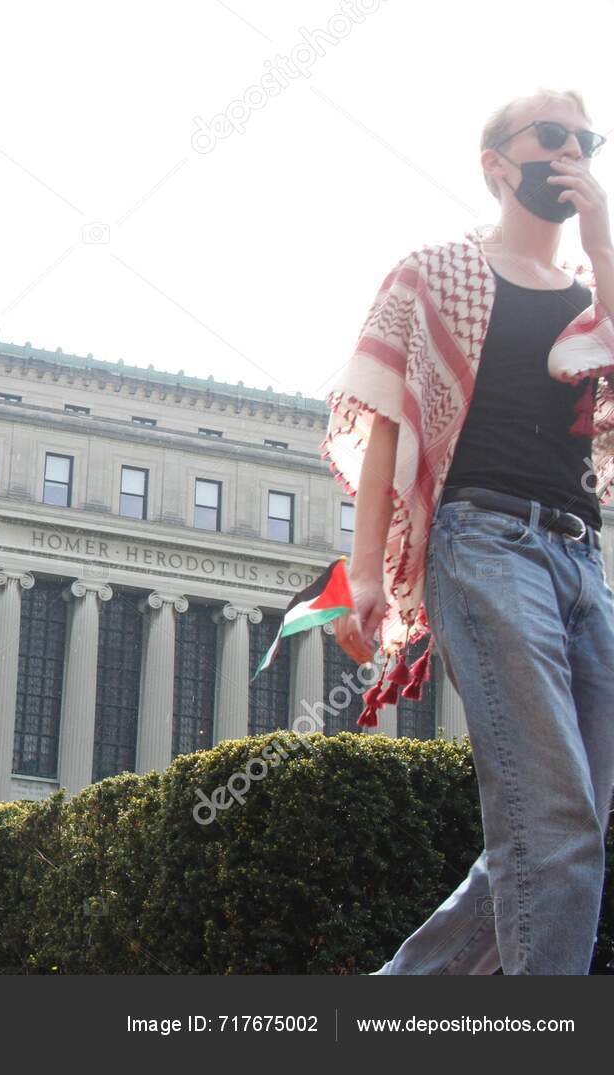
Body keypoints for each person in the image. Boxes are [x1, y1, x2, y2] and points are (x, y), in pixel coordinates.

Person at [329, 90, 614, 975]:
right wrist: (365, 571)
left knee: (567, 826)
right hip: (484, 544)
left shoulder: (594, 294)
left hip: (581, 559)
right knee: (557, 823)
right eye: (550, 138)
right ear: (496, 164)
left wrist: (603, 240)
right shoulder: (436, 273)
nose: (570, 153)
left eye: (586, 139)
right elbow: (383, 420)